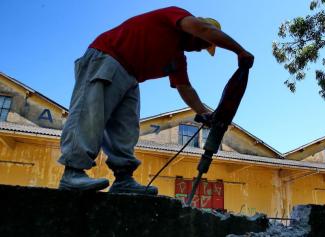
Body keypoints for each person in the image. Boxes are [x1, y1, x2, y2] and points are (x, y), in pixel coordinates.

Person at [58, 6, 254, 194]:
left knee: (126, 129)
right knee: (90, 114)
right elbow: (203, 28)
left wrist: (203, 112)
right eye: (203, 44)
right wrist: (239, 50)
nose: (199, 49)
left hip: (131, 77)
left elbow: (185, 88)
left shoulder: (177, 58)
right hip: (107, 57)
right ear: (199, 32)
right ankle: (73, 172)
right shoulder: (176, 16)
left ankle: (123, 179)